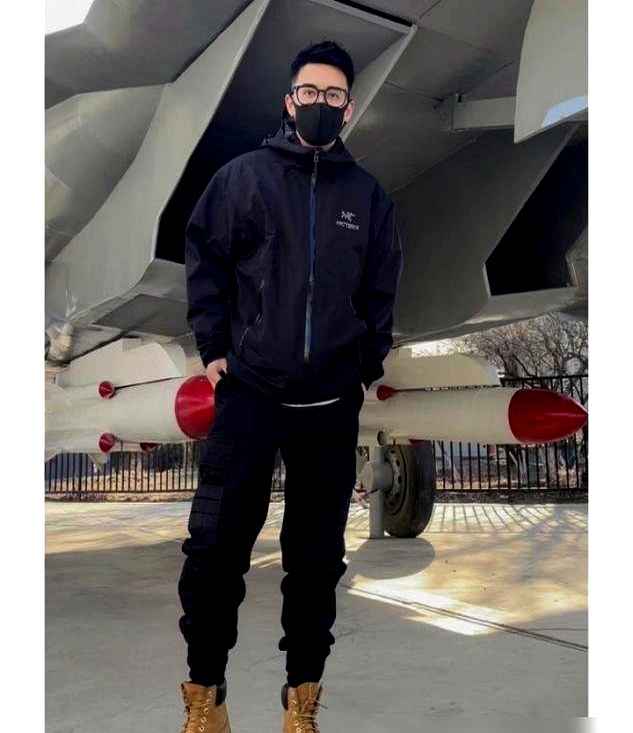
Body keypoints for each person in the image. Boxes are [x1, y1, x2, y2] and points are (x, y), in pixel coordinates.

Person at [178, 40, 403, 732]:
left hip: (328, 406)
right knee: (215, 549)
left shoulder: (366, 197)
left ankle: (300, 702)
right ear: (289, 100)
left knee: (315, 560)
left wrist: (365, 364)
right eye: (310, 92)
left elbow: (381, 288)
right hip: (250, 397)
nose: (320, 104)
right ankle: (206, 698)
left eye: (333, 95)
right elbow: (206, 262)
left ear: (349, 108)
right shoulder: (241, 179)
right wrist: (214, 350)